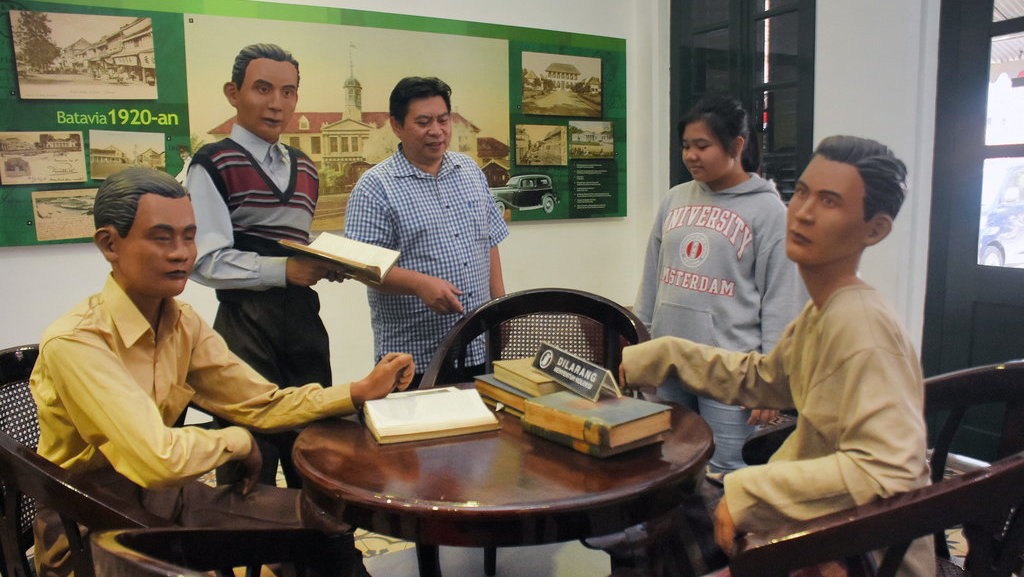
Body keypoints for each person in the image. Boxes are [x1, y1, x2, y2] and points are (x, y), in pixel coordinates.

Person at [29, 167, 414, 577]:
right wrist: (234, 441)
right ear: (109, 244)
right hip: (93, 528)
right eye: (162, 237)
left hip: (164, 501)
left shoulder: (182, 323)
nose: (181, 253)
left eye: (190, 236)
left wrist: (357, 391)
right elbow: (157, 459)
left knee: (324, 523)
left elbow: (260, 403)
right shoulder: (77, 342)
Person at [620, 136, 934, 577]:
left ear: (875, 229)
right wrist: (668, 353)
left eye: (830, 201)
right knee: (662, 523)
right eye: (801, 192)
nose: (803, 212)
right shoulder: (826, 308)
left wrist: (753, 492)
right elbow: (765, 377)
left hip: (857, 553)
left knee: (657, 534)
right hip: (821, 529)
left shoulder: (861, 328)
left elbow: (889, 471)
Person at [187, 43, 344, 487]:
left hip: (302, 320)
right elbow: (205, 259)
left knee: (315, 442)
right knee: (248, 453)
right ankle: (251, 551)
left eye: (288, 91)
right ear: (233, 93)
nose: (277, 103)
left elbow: (292, 240)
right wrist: (284, 271)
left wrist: (326, 260)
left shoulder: (306, 168)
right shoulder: (212, 163)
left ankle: (314, 551)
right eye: (263, 88)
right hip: (243, 326)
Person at [634, 94, 806, 477]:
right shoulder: (675, 199)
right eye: (686, 146)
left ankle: (722, 540)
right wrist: (641, 344)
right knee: (668, 464)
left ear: (736, 146)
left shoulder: (769, 212)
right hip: (670, 362)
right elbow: (652, 278)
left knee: (724, 474)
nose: (691, 155)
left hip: (733, 372)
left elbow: (782, 300)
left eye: (702, 146)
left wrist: (771, 385)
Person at [345, 76, 509, 388]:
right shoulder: (376, 186)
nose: (436, 131)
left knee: (484, 434)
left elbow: (489, 243)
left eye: (443, 120)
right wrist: (419, 284)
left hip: (477, 344)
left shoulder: (471, 171)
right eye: (423, 122)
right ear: (396, 125)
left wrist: (501, 309)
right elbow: (361, 267)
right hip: (412, 357)